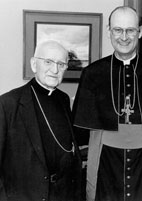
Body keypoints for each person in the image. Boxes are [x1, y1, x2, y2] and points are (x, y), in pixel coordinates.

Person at [72, 6, 142, 201]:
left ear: (139, 32)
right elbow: (80, 133)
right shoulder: (92, 73)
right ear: (109, 31)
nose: (124, 37)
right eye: (118, 30)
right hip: (106, 161)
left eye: (130, 30)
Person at [0, 40, 83, 201]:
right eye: (48, 62)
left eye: (61, 64)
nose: (55, 69)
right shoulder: (7, 104)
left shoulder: (63, 99)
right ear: (34, 64)